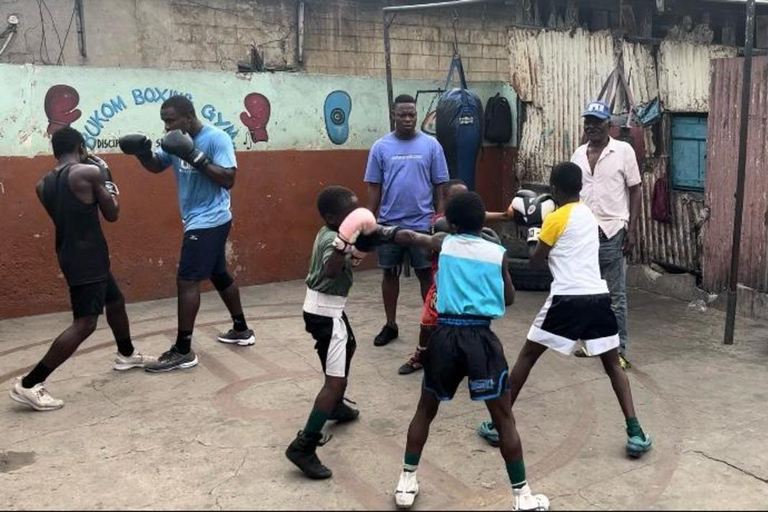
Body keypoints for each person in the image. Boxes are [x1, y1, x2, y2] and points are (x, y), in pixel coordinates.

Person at [377, 191, 548, 511]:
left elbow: (411, 236)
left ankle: (406, 481)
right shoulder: (497, 253)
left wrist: (378, 229)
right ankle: (522, 496)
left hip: (443, 336)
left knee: (425, 410)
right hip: (480, 338)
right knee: (503, 418)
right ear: (482, 220)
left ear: (452, 223)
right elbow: (509, 299)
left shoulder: (444, 243)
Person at [477, 162, 652, 460]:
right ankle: (635, 431)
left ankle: (497, 424)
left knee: (527, 357)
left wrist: (533, 229)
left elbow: (534, 261)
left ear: (554, 189)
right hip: (598, 296)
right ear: (580, 187)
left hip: (568, 298)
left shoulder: (556, 218)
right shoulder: (589, 214)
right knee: (612, 365)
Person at [10, 127, 154, 411]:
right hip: (87, 258)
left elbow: (73, 214)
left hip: (72, 253)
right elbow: (112, 214)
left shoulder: (43, 184)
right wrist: (108, 179)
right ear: (80, 146)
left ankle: (126, 354)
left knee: (115, 300)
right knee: (85, 322)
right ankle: (29, 383)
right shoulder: (88, 173)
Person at [118, 95, 254, 372]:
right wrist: (143, 152)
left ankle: (183, 349)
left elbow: (229, 179)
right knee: (218, 273)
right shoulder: (174, 139)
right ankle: (241, 329)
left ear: (188, 116)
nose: (166, 127)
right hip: (196, 218)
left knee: (187, 280)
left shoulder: (216, 139)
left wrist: (194, 155)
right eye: (164, 121)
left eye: (170, 120)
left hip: (210, 219)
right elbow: (157, 165)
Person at [285, 187, 373, 479]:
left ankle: (334, 406)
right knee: (334, 382)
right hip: (326, 313)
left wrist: (370, 238)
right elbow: (331, 269)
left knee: (350, 344)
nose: (355, 217)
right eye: (350, 213)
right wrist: (343, 244)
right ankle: (303, 446)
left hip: (325, 309)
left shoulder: (331, 232)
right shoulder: (330, 240)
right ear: (332, 217)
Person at [397, 179, 511, 374]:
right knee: (428, 323)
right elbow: (426, 252)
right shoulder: (440, 224)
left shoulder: (472, 222)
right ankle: (421, 354)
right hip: (443, 282)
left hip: (467, 281)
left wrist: (505, 216)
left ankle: (466, 357)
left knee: (470, 318)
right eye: (455, 197)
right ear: (445, 199)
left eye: (464, 197)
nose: (461, 200)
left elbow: (481, 216)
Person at [364, 94, 449, 347]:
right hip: (389, 223)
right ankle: (390, 325)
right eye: (402, 114)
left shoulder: (432, 146)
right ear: (393, 115)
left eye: (411, 114)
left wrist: (439, 218)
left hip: (423, 224)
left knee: (426, 275)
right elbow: (374, 189)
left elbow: (440, 186)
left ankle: (430, 324)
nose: (408, 119)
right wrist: (369, 221)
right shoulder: (380, 147)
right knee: (389, 274)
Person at [571, 100, 642, 370]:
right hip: (585, 233)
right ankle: (592, 345)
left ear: (608, 125)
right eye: (588, 122)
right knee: (588, 294)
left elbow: (635, 190)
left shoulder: (623, 151)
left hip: (613, 231)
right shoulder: (578, 155)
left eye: (597, 122)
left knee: (615, 297)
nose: (592, 127)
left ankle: (619, 350)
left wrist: (632, 230)